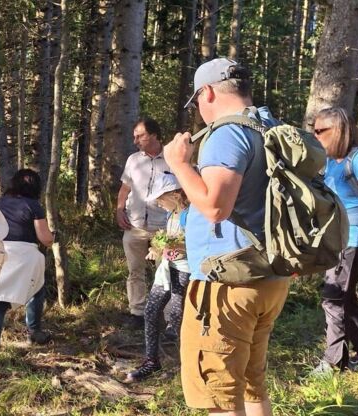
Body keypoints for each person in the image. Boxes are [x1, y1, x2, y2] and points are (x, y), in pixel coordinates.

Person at [165, 58, 286, 415]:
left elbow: (216, 207)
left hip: (227, 282)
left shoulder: (227, 133)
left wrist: (180, 165)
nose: (200, 109)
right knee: (251, 383)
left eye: (198, 101)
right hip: (268, 275)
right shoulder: (270, 126)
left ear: (208, 92)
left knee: (218, 393)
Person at [309, 107, 358, 375]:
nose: (315, 136)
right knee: (345, 299)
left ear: (337, 130)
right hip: (337, 237)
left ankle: (333, 362)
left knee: (333, 297)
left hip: (354, 237)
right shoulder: (330, 160)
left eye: (319, 131)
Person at [0, 168, 54, 354]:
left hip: (0, 254)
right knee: (37, 289)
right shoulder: (34, 206)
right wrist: (54, 236)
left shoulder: (0, 202)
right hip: (25, 257)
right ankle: (33, 331)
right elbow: (46, 239)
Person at [125, 174, 190, 383]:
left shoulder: (191, 214)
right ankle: (151, 360)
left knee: (178, 318)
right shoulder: (171, 214)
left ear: (175, 194)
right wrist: (157, 247)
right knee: (151, 311)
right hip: (167, 270)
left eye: (160, 199)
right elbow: (165, 240)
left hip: (186, 270)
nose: (158, 204)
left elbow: (194, 244)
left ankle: (186, 366)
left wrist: (168, 246)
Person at [117, 117, 171, 326]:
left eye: (140, 136)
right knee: (135, 270)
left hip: (163, 229)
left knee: (165, 273)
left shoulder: (172, 159)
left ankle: (167, 318)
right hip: (135, 225)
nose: (136, 141)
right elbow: (125, 188)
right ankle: (137, 313)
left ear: (154, 135)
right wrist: (119, 209)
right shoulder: (133, 160)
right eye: (134, 136)